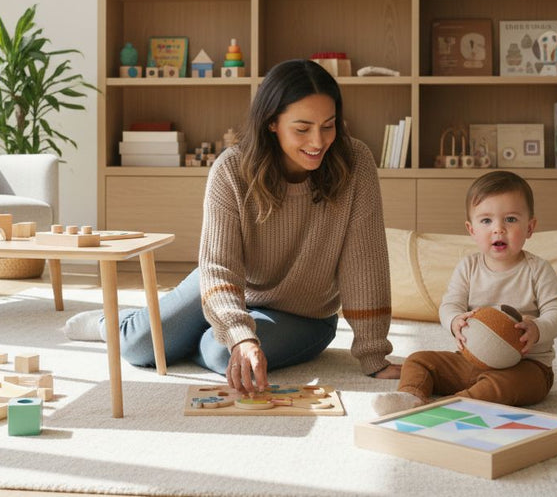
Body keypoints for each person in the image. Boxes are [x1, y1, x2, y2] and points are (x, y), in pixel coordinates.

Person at [64, 59, 401, 392]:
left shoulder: (355, 163)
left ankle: (201, 330)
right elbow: (219, 266)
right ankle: (110, 322)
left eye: (328, 126)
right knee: (138, 347)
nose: (318, 142)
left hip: (303, 315)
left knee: (218, 351)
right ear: (272, 122)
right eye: (302, 129)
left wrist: (374, 354)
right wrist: (239, 331)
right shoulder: (232, 169)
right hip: (229, 283)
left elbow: (365, 262)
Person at [371, 171, 557, 415]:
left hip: (526, 366)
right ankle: (411, 395)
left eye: (511, 220)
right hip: (471, 359)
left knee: (504, 386)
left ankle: (454, 404)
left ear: (530, 227)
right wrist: (455, 321)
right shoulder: (468, 266)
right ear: (471, 229)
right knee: (418, 360)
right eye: (486, 221)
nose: (498, 229)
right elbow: (449, 304)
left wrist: (538, 328)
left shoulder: (538, 269)